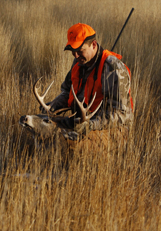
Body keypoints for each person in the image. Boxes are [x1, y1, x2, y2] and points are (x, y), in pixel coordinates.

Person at [47, 23, 134, 152]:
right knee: (44, 129)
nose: (76, 56)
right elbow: (67, 91)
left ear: (93, 45)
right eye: (73, 51)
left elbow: (120, 114)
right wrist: (53, 105)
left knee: (71, 146)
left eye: (80, 51)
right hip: (84, 123)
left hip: (113, 129)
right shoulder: (79, 62)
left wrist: (91, 124)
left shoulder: (113, 69)